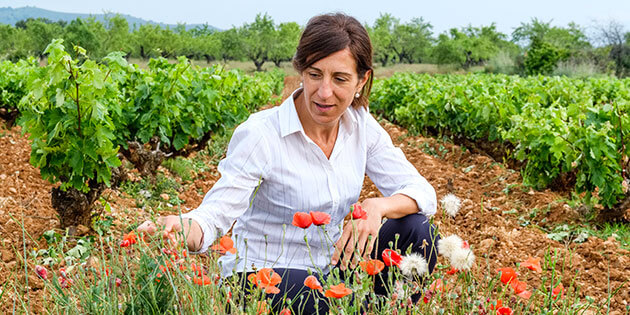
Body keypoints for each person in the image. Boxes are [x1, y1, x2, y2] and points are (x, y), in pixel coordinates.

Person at [138, 12, 438, 314]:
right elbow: (216, 213)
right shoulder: (262, 134)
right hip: (262, 277)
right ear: (301, 71)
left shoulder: (360, 126)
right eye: (315, 74)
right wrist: (185, 226)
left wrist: (378, 207)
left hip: (331, 271)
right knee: (312, 298)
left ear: (363, 80)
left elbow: (422, 192)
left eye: (340, 79)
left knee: (417, 230)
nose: (324, 92)